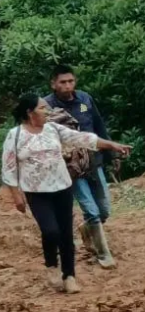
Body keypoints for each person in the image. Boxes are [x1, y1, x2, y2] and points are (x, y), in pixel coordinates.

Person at [2, 94, 130, 294]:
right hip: (36, 192)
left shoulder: (53, 129)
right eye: (43, 108)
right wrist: (17, 196)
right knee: (50, 231)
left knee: (65, 234)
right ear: (30, 112)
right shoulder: (15, 135)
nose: (48, 111)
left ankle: (69, 276)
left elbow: (82, 138)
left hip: (62, 187)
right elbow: (8, 167)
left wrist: (111, 145)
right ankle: (51, 265)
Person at [44, 65, 117, 268]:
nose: (67, 86)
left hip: (94, 162)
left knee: (104, 210)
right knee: (91, 210)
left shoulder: (84, 99)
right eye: (62, 82)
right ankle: (103, 254)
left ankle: (87, 229)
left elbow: (97, 124)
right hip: (71, 167)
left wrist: (111, 152)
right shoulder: (46, 107)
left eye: (70, 81)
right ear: (53, 84)